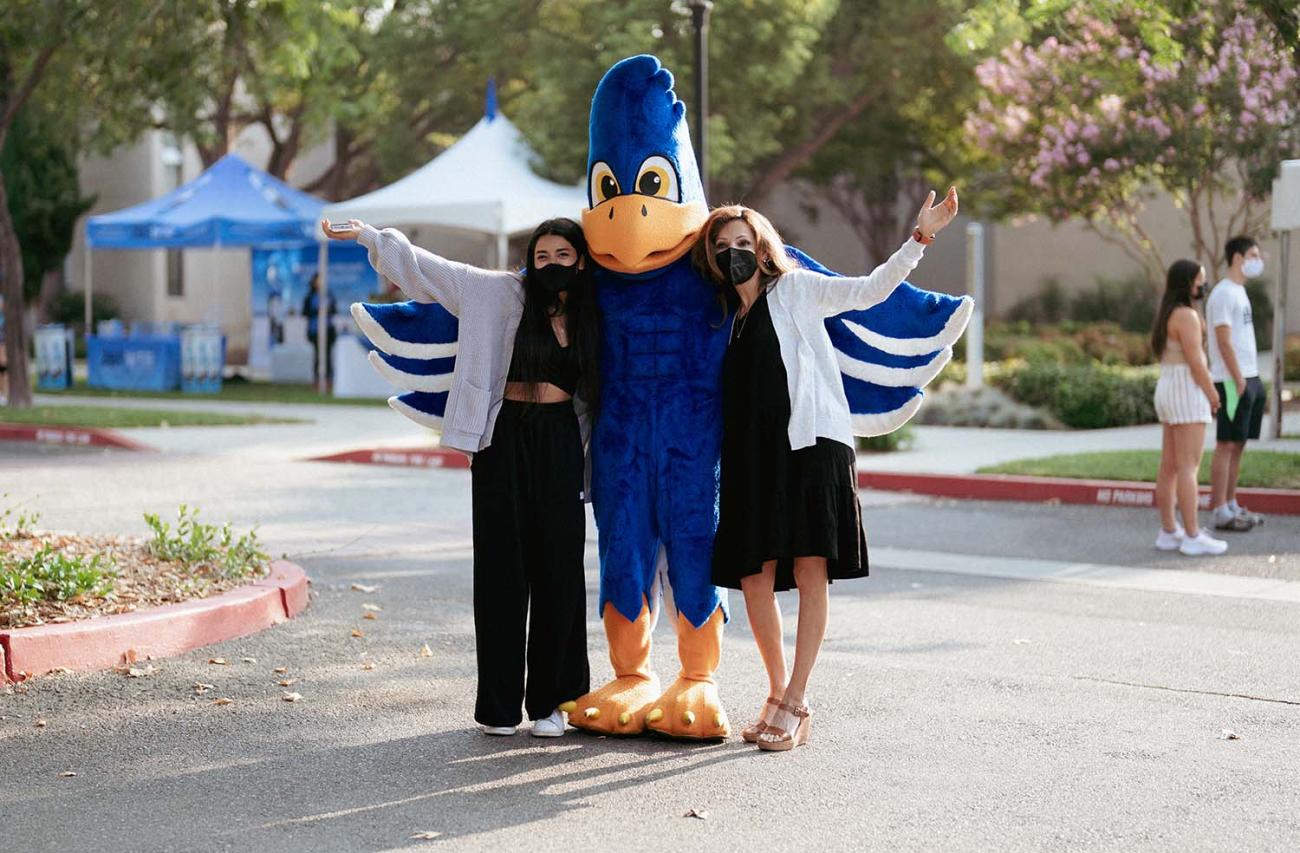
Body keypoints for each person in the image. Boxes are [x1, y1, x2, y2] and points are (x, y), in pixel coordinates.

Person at [695, 188, 958, 751]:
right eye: (723, 246)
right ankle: (775, 691)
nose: (733, 252)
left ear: (762, 247)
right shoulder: (724, 318)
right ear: (711, 257)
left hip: (811, 447)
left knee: (811, 572)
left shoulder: (794, 290)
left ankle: (796, 698)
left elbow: (869, 291)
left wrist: (919, 238)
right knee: (753, 578)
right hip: (751, 458)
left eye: (743, 242)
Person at [324, 216, 599, 738]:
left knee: (559, 571)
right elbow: (429, 269)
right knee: (501, 570)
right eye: (542, 257)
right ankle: (498, 707)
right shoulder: (494, 292)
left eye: (563, 256)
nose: (552, 266)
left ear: (580, 260)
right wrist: (369, 236)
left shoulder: (594, 312)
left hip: (561, 440)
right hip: (503, 437)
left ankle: (550, 704)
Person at [1151, 260, 1226, 556]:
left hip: (1169, 386)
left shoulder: (1167, 313)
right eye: (1199, 281)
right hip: (1186, 390)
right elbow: (1196, 362)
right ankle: (1193, 535)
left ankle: (1169, 530)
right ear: (1187, 283)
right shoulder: (1187, 316)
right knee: (1188, 466)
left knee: (1169, 465)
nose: (1202, 286)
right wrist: (1212, 395)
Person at [1206, 236, 1267, 532]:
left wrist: (1250, 378)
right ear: (1238, 258)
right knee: (1226, 443)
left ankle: (1231, 504)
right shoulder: (1223, 293)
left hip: (1249, 377)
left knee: (1239, 443)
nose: (1258, 260)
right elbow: (1223, 340)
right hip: (1232, 380)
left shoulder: (1240, 291)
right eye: (1254, 254)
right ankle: (1219, 510)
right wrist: (1238, 378)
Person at [302, 274, 338, 383]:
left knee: (327, 355)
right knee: (318, 355)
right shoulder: (310, 296)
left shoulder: (328, 294)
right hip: (315, 330)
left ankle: (329, 379)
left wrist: (327, 311)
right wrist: (316, 312)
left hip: (328, 329)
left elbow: (334, 310)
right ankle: (317, 379)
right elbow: (305, 312)